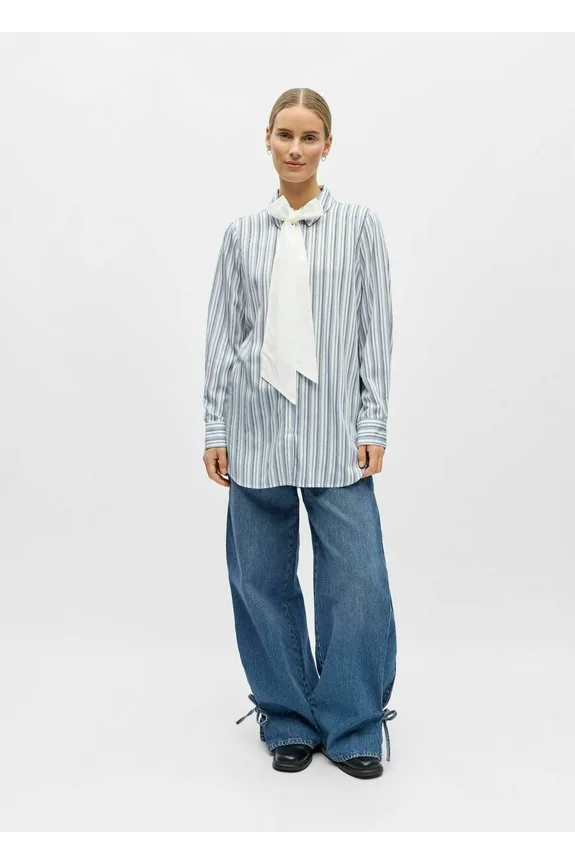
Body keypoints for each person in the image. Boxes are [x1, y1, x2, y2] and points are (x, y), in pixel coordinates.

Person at [203, 87, 397, 780]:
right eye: (284, 135)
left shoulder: (360, 228)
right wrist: (215, 425)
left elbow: (375, 330)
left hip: (334, 430)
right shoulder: (241, 236)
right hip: (256, 427)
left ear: (327, 145)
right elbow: (223, 335)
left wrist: (373, 419)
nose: (295, 148)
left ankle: (353, 722)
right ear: (267, 138)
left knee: (357, 581)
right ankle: (286, 717)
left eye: (309, 136)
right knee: (260, 579)